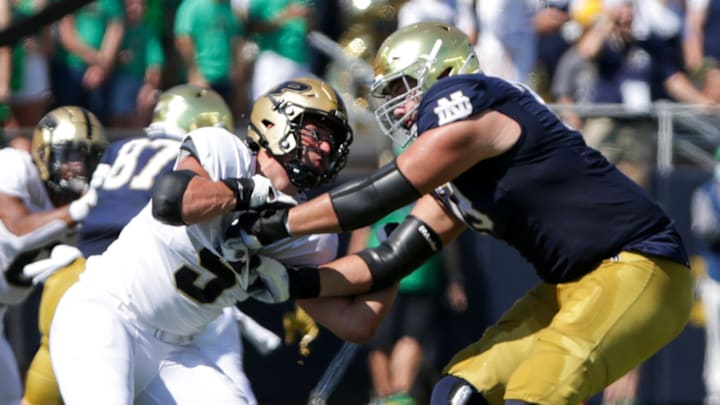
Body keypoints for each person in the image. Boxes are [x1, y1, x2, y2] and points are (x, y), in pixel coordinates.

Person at [239, 22, 694, 405]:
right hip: (568, 287)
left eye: (402, 88)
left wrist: (279, 222)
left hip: (639, 265)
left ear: (443, 72)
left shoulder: (472, 98)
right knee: (459, 389)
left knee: (542, 382)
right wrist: (280, 277)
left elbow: (384, 193)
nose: (396, 106)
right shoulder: (455, 177)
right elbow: (384, 263)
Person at [48, 77, 394, 404]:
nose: (323, 147)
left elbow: (355, 322)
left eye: (331, 141)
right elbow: (174, 201)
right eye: (316, 132)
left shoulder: (310, 234)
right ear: (275, 122)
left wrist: (400, 254)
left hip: (175, 351)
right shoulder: (225, 152)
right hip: (107, 314)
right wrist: (249, 192)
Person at [21, 84, 240, 405]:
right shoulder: (194, 163)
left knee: (39, 399)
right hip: (131, 285)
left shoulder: (120, 148)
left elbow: (98, 204)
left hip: (71, 277)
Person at [0, 106, 108, 405]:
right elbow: (18, 230)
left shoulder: (86, 210)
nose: (79, 166)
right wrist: (79, 210)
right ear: (44, 153)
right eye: (71, 155)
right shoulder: (14, 166)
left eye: (89, 157)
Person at [691, 147, 720, 405]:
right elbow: (705, 230)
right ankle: (716, 394)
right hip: (715, 278)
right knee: (716, 338)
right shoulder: (706, 193)